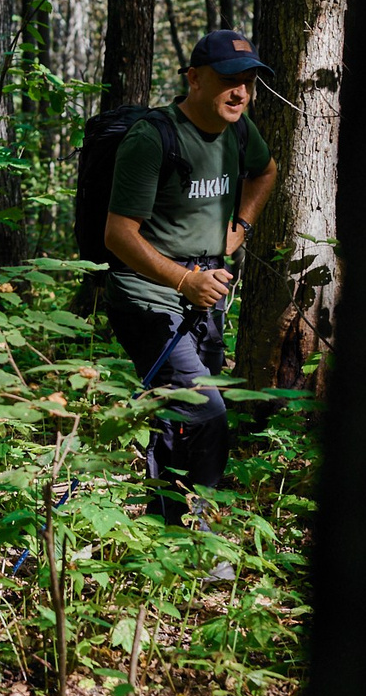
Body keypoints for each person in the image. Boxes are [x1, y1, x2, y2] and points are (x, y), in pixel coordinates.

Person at [101, 29, 280, 543]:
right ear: (195, 79)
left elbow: (265, 173)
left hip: (207, 296)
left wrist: (238, 230)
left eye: (247, 83)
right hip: (148, 297)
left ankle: (167, 532)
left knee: (177, 413)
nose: (240, 93)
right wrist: (183, 278)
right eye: (229, 81)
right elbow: (117, 234)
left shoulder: (241, 133)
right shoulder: (152, 137)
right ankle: (203, 535)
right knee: (207, 407)